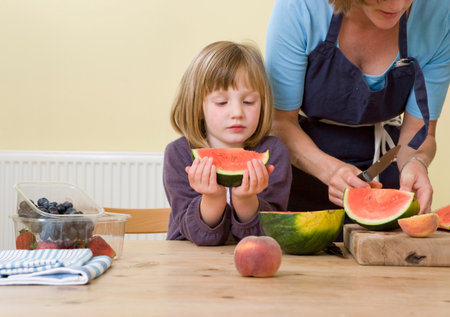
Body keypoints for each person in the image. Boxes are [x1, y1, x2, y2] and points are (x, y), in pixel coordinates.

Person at [265, 0, 449, 230]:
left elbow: (420, 132)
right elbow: (279, 122)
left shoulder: (440, 13)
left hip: (384, 177)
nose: (398, 5)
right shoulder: (301, 6)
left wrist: (415, 162)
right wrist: (330, 170)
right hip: (302, 177)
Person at [163, 41, 292, 246]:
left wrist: (246, 199)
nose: (237, 113)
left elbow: (269, 234)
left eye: (248, 102)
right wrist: (212, 198)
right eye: (222, 102)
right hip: (189, 266)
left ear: (263, 103)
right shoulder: (178, 154)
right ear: (198, 107)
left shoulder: (273, 153)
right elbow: (198, 237)